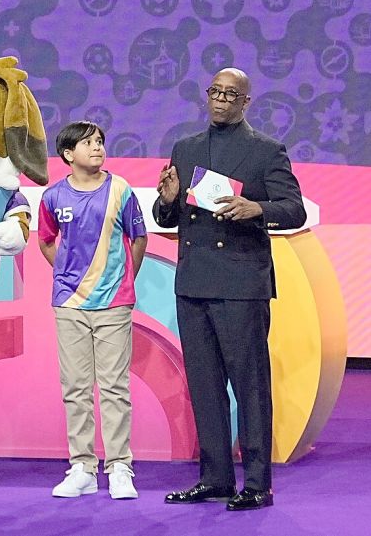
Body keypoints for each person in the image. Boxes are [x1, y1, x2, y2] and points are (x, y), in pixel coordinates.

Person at [157, 68, 306, 511]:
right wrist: (166, 201)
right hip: (194, 283)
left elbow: (294, 208)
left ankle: (258, 483)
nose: (221, 100)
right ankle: (216, 477)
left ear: (245, 102)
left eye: (231, 94)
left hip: (241, 283)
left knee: (250, 385)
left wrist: (256, 207)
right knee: (204, 386)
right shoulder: (185, 149)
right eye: (215, 92)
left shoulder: (265, 152)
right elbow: (169, 219)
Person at [38, 121, 147, 500]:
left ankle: (119, 467)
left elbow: (139, 238)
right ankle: (82, 467)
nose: (97, 148)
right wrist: (71, 278)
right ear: (68, 155)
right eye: (88, 143)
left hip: (114, 305)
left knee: (115, 388)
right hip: (69, 304)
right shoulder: (53, 197)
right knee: (76, 388)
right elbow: (47, 241)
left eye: (100, 142)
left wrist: (121, 280)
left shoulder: (121, 191)